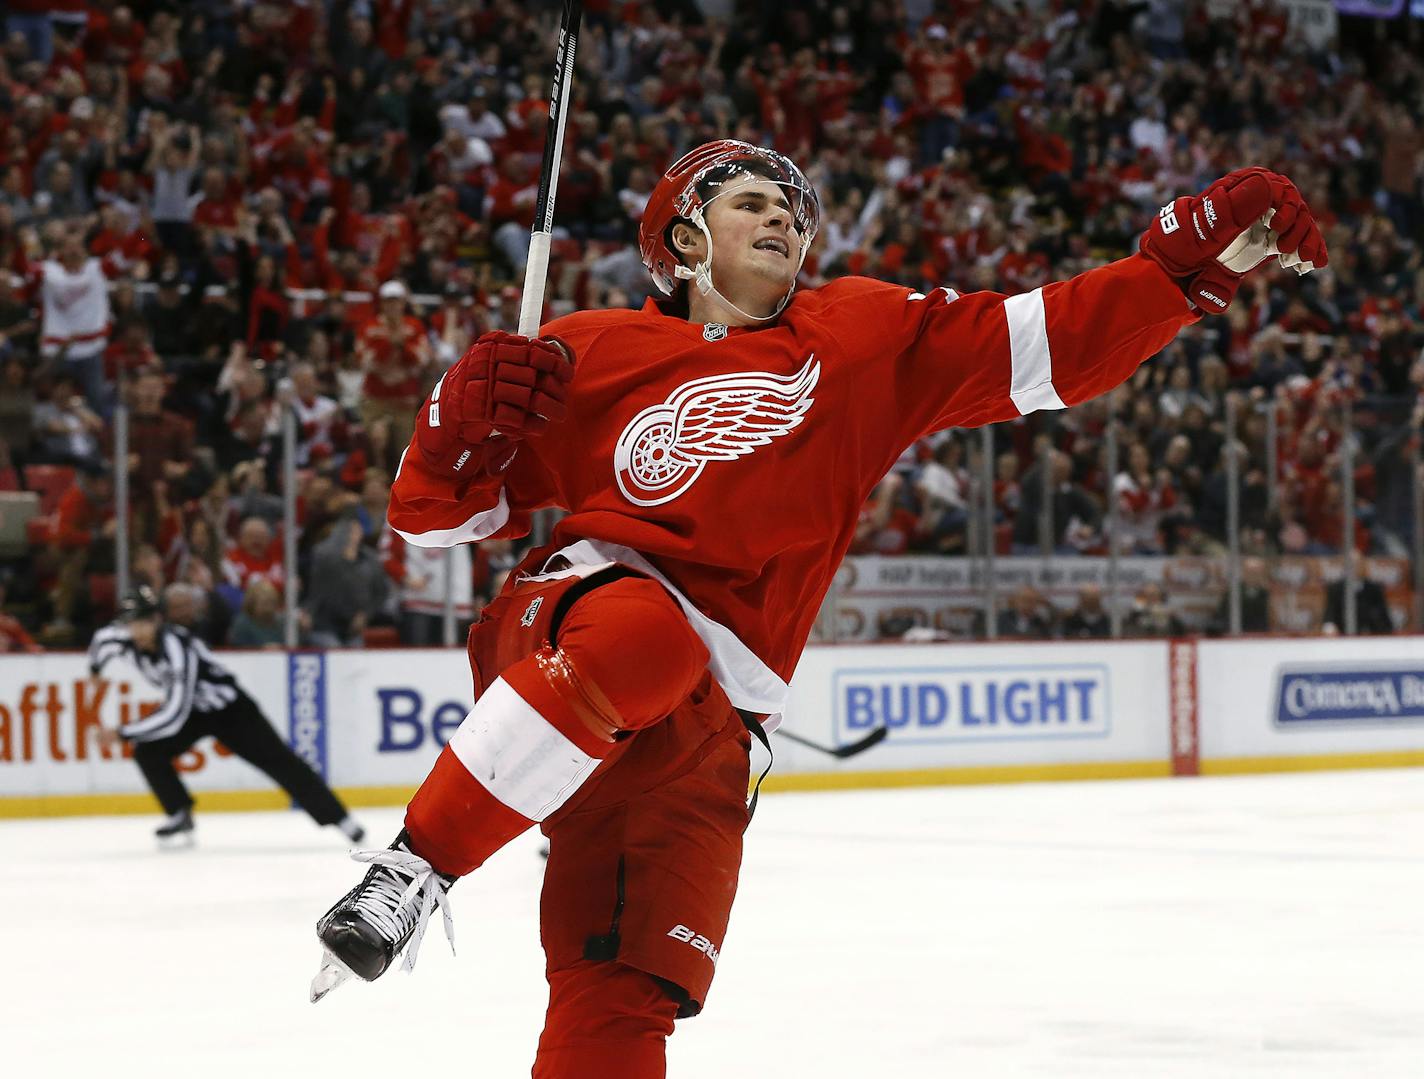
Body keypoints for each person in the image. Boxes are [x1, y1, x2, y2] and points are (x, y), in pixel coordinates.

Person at [310, 143, 1326, 1075]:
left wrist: (1188, 265)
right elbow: (435, 518)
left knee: (621, 993)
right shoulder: (586, 346)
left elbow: (1048, 341)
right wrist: (452, 421)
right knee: (643, 635)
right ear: (679, 236)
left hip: (716, 719)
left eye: (794, 211)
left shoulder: (858, 336)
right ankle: (410, 869)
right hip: (578, 618)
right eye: (749, 201)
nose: (783, 220)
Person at [88, 585, 366, 845]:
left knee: (280, 760)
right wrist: (96, 672)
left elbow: (174, 712)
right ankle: (179, 813)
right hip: (195, 711)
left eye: (143, 622)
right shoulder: (118, 639)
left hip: (231, 711)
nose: (137, 630)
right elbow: (100, 642)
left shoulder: (177, 647)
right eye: (131, 623)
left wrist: (121, 733)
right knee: (148, 751)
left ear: (158, 619)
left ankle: (340, 819)